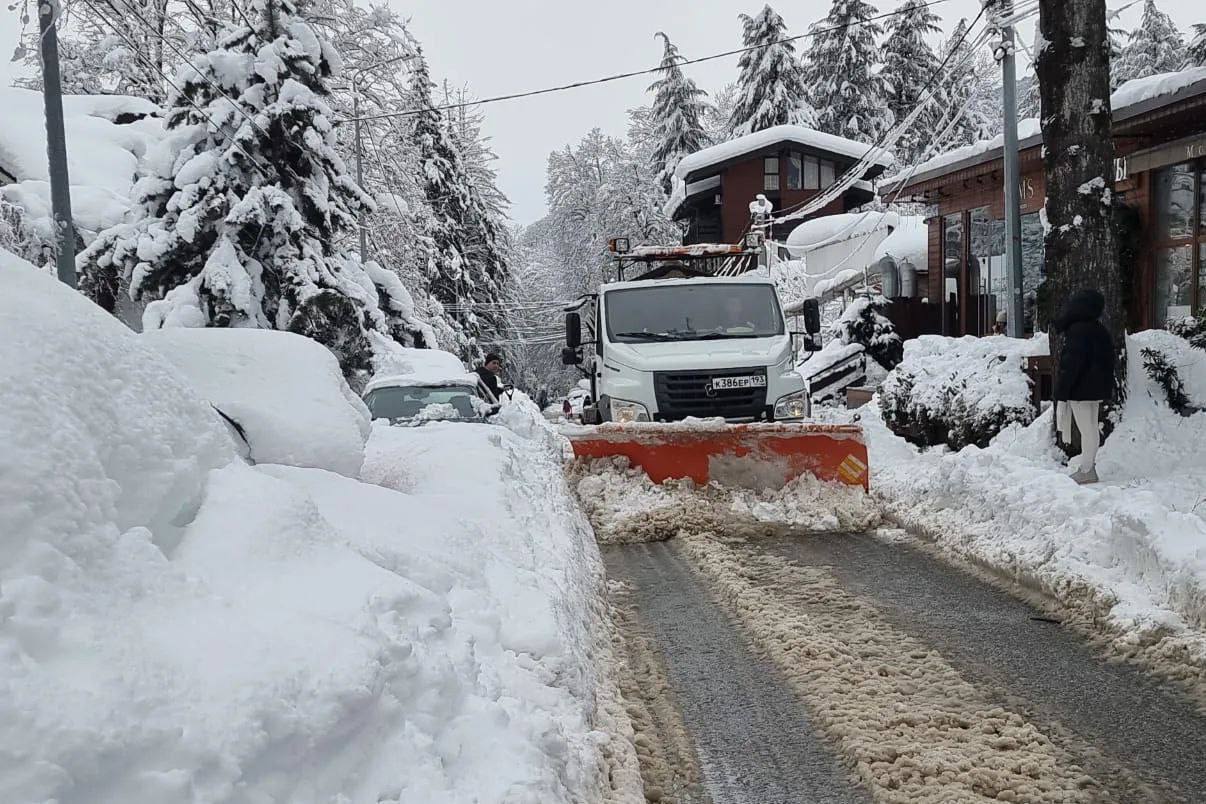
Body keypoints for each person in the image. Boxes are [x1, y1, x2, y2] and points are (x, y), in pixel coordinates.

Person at [1052, 289, 1115, 485]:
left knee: (1086, 429)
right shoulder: (1098, 329)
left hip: (1080, 389)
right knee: (1091, 428)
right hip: (1095, 388)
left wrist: (1062, 390)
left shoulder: (1078, 330)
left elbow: (1072, 364)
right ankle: (1089, 467)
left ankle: (1087, 469)